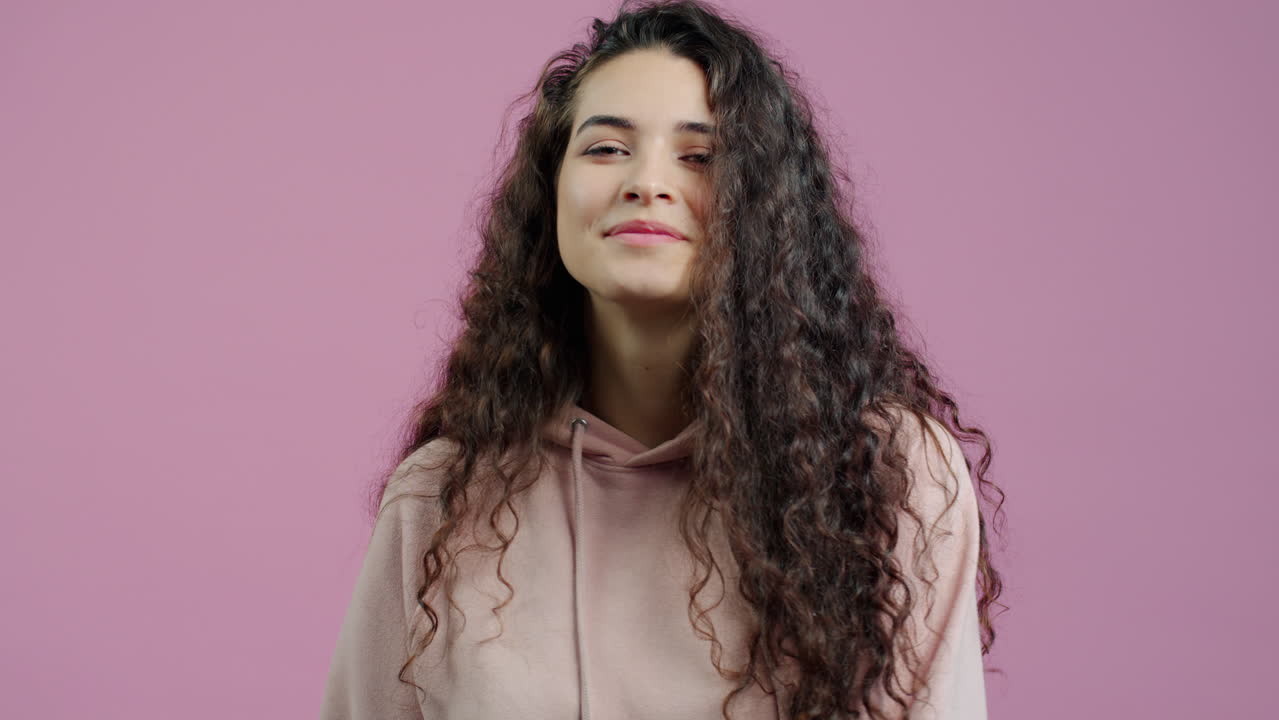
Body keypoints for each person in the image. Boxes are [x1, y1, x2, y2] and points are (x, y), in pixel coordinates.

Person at [319, 1, 1007, 718]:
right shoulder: (441, 497)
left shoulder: (886, 475)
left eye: (701, 157)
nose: (647, 182)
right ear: (549, 193)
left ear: (766, 206)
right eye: (605, 149)